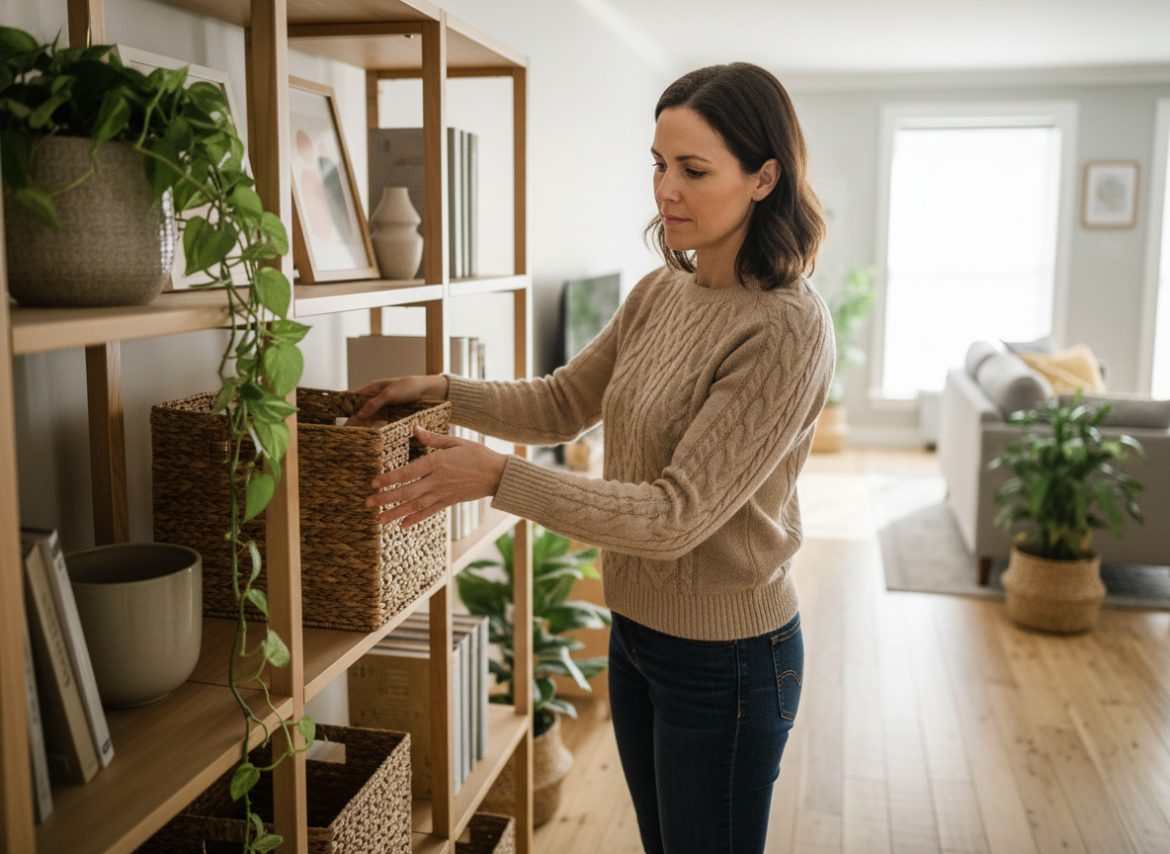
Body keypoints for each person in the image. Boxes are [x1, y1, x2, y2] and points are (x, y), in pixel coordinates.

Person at [354, 62, 835, 854]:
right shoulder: (659, 292)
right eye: (658, 164)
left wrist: (497, 476)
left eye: (693, 170)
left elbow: (673, 517)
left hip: (729, 666)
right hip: (637, 634)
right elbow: (561, 402)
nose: (665, 191)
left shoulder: (786, 328)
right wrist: (442, 387)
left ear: (764, 177)